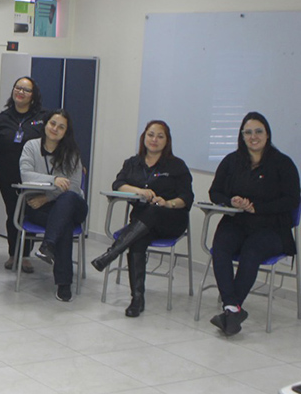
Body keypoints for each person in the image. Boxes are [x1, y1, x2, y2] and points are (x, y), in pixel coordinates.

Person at [207, 112, 299, 335]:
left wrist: (257, 207)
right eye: (248, 132)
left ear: (267, 134)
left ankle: (230, 309)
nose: (253, 136)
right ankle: (233, 309)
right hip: (237, 222)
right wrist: (232, 201)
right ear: (242, 136)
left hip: (272, 227)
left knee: (251, 251)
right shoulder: (231, 161)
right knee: (220, 248)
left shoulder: (282, 163)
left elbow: (292, 199)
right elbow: (214, 192)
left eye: (258, 131)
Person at [90, 121, 193, 317]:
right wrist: (139, 191)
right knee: (137, 241)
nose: (154, 140)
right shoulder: (132, 163)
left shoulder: (176, 165)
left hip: (171, 219)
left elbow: (187, 197)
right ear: (143, 137)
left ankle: (111, 253)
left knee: (153, 211)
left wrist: (167, 203)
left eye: (160, 136)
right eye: (150, 135)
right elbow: (118, 184)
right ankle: (137, 299)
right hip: (141, 224)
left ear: (167, 140)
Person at [19, 109, 86, 302]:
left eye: (61, 127)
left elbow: (73, 187)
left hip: (72, 207)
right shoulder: (31, 147)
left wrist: (47, 198)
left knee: (67, 201)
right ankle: (64, 283)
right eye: (52, 124)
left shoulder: (71, 153)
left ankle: (48, 243)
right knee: (62, 225)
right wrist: (54, 180)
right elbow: (26, 175)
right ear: (45, 124)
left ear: (66, 132)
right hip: (40, 209)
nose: (55, 129)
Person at [0, 76, 46, 274]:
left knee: (28, 212)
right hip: (8, 173)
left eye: (26, 90)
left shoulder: (43, 117)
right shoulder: (3, 118)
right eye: (18, 88)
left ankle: (25, 255)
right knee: (13, 212)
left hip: (34, 176)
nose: (21, 92)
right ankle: (13, 253)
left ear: (33, 96)